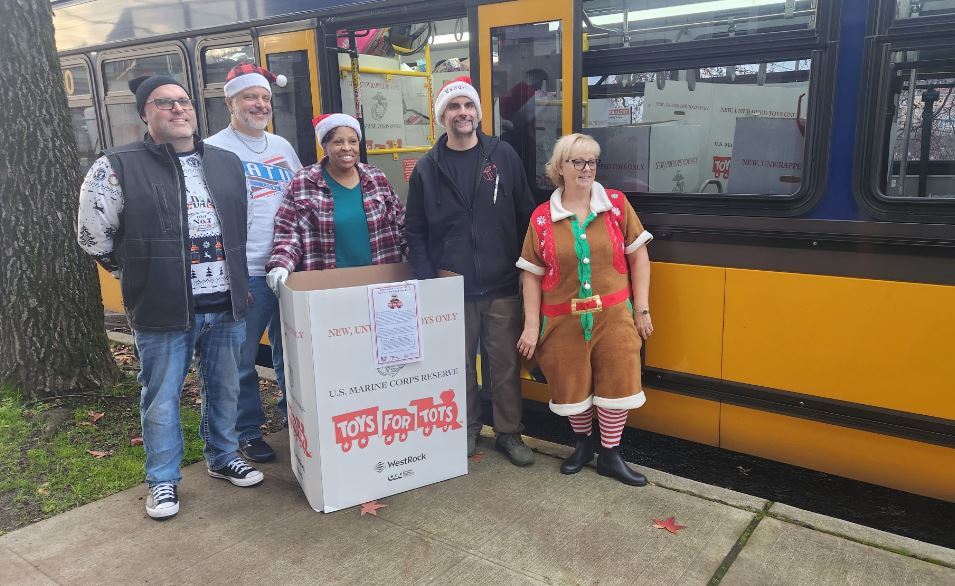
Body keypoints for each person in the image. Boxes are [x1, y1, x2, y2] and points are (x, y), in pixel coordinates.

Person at [77, 75, 264, 520]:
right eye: (165, 104)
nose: (178, 110)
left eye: (183, 102)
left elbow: (244, 221)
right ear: (146, 113)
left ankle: (222, 457)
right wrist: (137, 271)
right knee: (160, 397)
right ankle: (163, 480)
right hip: (162, 307)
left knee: (225, 388)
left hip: (226, 302)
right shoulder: (116, 166)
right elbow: (93, 235)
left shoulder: (225, 162)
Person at [405, 77, 537, 466]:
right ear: (442, 116)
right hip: (452, 287)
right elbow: (414, 229)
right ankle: (466, 427)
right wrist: (429, 281)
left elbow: (526, 213)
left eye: (468, 106)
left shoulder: (503, 156)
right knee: (458, 364)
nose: (462, 113)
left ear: (478, 113)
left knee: (505, 365)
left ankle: (509, 433)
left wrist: (524, 269)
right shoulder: (427, 168)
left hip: (501, 285)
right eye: (453, 107)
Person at [515, 133, 654, 486]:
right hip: (562, 321)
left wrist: (642, 308)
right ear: (559, 168)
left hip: (615, 316)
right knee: (571, 386)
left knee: (618, 383)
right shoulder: (542, 218)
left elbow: (639, 256)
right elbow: (531, 275)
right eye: (578, 161)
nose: (586, 168)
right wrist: (532, 327)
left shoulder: (617, 205)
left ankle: (610, 455)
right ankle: (583, 446)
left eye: (592, 161)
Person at [205, 64, 303, 463]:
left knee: (291, 353)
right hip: (244, 273)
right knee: (241, 358)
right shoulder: (212, 149)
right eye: (250, 97)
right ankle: (246, 430)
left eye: (264, 98)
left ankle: (292, 417)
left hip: (290, 270)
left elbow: (300, 199)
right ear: (231, 102)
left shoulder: (282, 147)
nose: (260, 104)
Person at [266, 113, 405, 289]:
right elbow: (288, 232)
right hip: (329, 286)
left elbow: (401, 224)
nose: (347, 148)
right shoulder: (303, 181)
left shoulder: (376, 177)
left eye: (353, 141)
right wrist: (281, 265)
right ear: (325, 145)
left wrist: (422, 255)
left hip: (380, 282)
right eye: (338, 142)